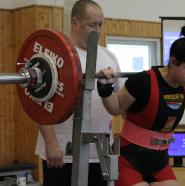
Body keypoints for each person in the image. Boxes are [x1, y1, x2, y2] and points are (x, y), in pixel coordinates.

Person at [97, 21, 185, 186]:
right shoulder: (143, 82)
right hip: (128, 160)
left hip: (159, 162)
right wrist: (105, 88)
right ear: (173, 61)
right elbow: (116, 107)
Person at [35, 0, 121, 186]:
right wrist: (51, 143)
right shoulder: (53, 55)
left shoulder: (109, 57)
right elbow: (38, 102)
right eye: (93, 25)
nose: (98, 30)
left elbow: (117, 102)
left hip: (99, 152)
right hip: (61, 153)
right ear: (75, 23)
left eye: (101, 24)